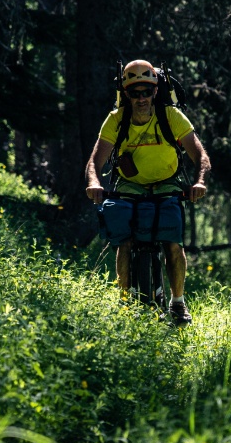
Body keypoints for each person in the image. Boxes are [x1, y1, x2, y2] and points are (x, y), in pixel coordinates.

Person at [85, 59, 211, 326]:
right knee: (125, 239)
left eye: (147, 92)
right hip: (130, 185)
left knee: (172, 242)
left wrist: (199, 182)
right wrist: (94, 183)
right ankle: (124, 300)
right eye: (134, 93)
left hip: (167, 182)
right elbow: (95, 161)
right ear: (126, 94)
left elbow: (200, 155)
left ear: (156, 91)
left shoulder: (172, 117)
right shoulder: (116, 120)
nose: (141, 98)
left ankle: (178, 303)